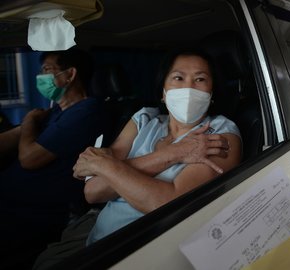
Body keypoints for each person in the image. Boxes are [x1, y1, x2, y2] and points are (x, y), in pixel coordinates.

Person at [32, 49, 242, 269]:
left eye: (200, 79)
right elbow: (93, 191)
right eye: (178, 78)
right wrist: (171, 154)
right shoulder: (145, 119)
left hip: (140, 251)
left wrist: (106, 166)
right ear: (163, 91)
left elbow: (171, 206)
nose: (188, 87)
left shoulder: (219, 135)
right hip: (97, 238)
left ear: (212, 92)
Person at [0, 48, 105, 269]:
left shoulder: (85, 111)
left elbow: (29, 159)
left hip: (32, 213)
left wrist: (28, 122)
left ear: (70, 74)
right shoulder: (57, 111)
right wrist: (26, 127)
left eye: (47, 70)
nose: (41, 77)